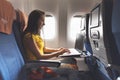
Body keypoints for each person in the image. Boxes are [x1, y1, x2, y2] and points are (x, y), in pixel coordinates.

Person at [23, 9, 79, 80]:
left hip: (42, 63)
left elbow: (44, 49)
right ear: (35, 21)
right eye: (42, 20)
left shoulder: (36, 35)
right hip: (38, 67)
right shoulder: (28, 37)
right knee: (72, 70)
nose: (44, 23)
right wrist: (58, 53)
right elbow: (40, 56)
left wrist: (59, 50)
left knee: (71, 60)